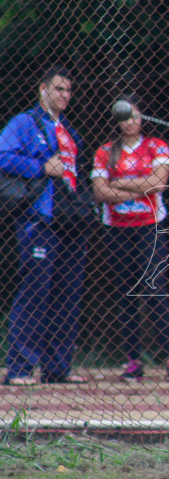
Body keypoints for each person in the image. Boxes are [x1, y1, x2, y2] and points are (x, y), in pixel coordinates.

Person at [0, 66, 89, 386]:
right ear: (43, 90)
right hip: (40, 218)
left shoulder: (67, 128)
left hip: (71, 221)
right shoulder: (25, 122)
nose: (65, 95)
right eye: (59, 89)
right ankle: (21, 368)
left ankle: (57, 367)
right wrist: (40, 167)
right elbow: (2, 155)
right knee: (36, 292)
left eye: (68, 90)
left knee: (68, 294)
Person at [90, 95, 169, 381]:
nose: (130, 122)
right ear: (117, 120)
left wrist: (118, 184)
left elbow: (159, 183)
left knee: (155, 290)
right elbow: (99, 192)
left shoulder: (157, 146)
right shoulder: (106, 151)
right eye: (125, 116)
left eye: (134, 116)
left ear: (142, 118)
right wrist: (137, 190)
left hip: (149, 226)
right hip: (116, 228)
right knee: (126, 292)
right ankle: (133, 361)